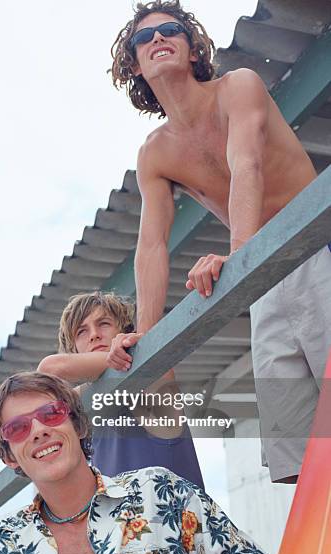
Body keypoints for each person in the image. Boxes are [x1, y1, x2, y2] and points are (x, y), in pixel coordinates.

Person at [109, 0, 331, 484]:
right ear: (135, 65)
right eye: (142, 39)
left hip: (316, 248)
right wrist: (148, 341)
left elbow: (245, 164)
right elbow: (151, 247)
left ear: (192, 48)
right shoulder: (155, 154)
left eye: (169, 30)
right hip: (267, 285)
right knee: (296, 451)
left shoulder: (238, 86)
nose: (157, 40)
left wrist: (240, 257)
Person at [0, 370, 272, 554]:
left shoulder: (160, 491)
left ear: (78, 425)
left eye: (52, 413)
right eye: (18, 428)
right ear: (9, 457)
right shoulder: (3, 545)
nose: (39, 430)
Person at [0, 291, 204, 524]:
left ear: (124, 331)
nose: (94, 335)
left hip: (186, 536)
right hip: (129, 550)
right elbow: (14, 420)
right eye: (82, 331)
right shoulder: (84, 402)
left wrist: (131, 348)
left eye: (104, 324)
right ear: (73, 347)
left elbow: (51, 368)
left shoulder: (155, 372)